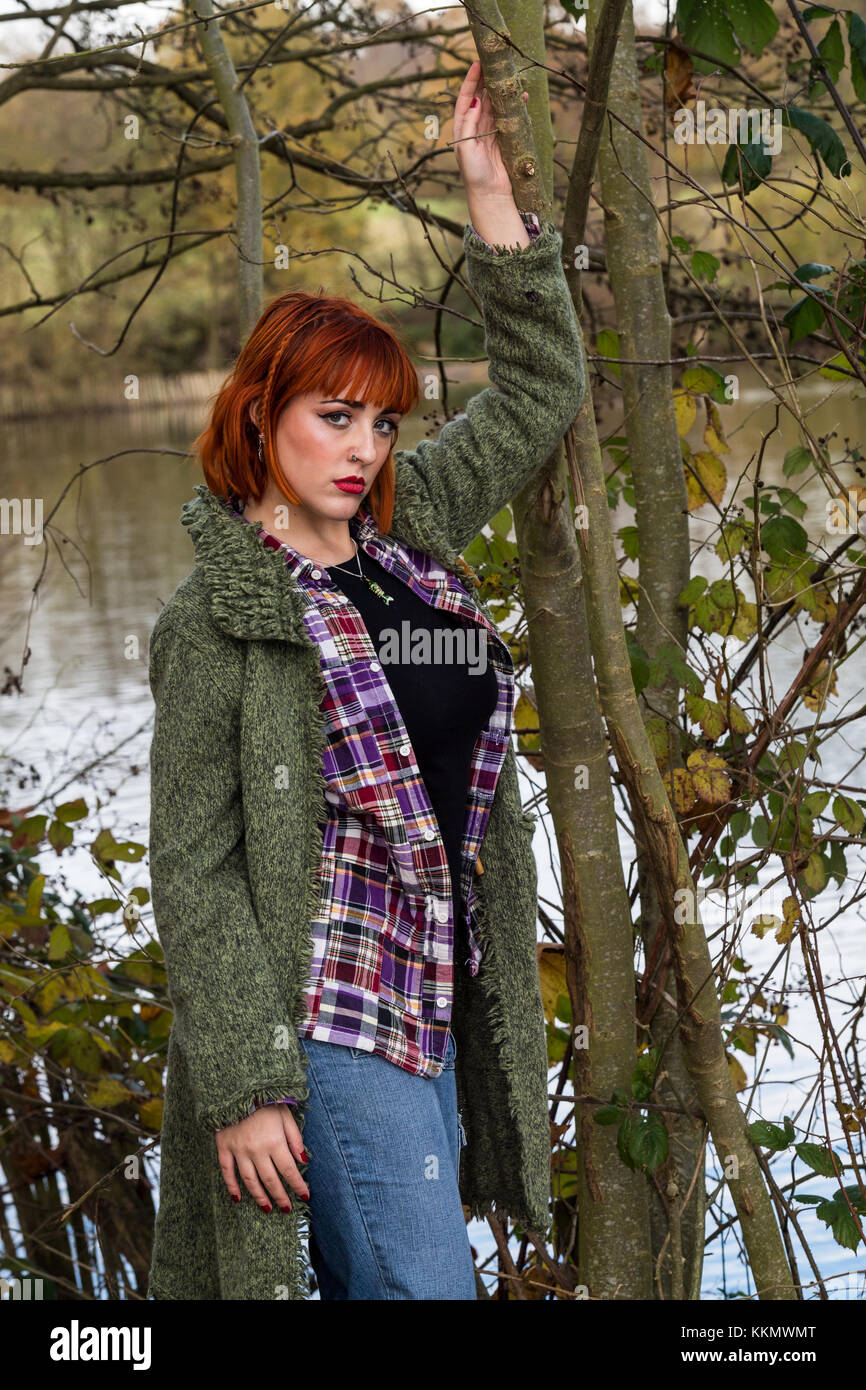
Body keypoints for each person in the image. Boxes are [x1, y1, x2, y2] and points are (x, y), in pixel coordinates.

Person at [146, 58, 586, 1301]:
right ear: (259, 417)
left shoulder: (403, 537)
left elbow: (545, 390)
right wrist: (243, 1086)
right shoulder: (218, 616)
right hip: (328, 1023)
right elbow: (193, 861)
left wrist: (486, 191)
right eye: (334, 417)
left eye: (382, 422)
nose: (363, 449)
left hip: (433, 997)